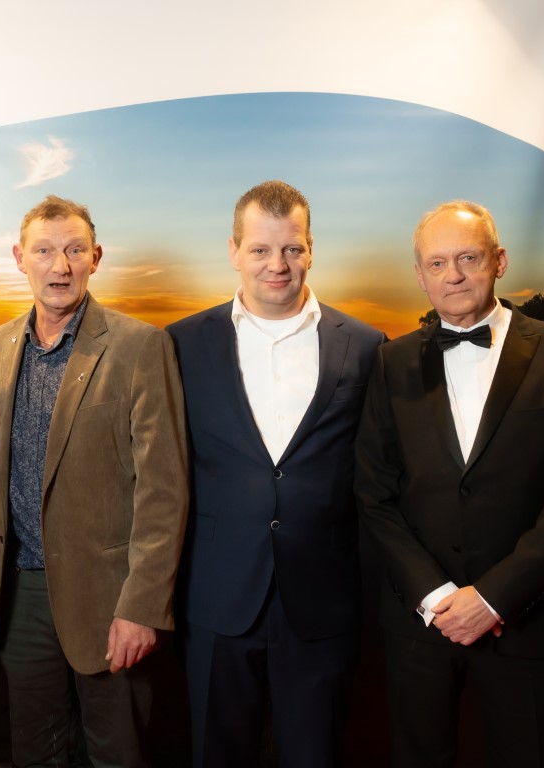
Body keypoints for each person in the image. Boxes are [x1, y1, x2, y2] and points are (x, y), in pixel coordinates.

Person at [355, 201, 544, 768]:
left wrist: (492, 599)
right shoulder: (390, 363)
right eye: (437, 263)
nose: (454, 275)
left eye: (468, 258)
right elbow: (373, 493)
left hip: (529, 621)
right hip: (421, 623)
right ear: (420, 275)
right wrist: (437, 596)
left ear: (500, 261)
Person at [166, 180, 385, 767]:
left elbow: (379, 477)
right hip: (216, 598)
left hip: (323, 601)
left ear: (311, 250)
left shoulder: (366, 346)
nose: (277, 265)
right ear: (234, 251)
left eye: (292, 248)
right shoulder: (180, 344)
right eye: (260, 249)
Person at [0, 195, 188, 767]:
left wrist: (143, 607)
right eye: (44, 251)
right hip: (19, 596)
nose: (60, 266)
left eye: (75, 251)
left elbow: (164, 491)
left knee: (117, 753)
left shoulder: (140, 346)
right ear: (19, 258)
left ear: (96, 258)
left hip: (110, 598)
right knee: (34, 752)